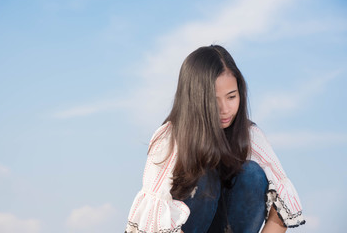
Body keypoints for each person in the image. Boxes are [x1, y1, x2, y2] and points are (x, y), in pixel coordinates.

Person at [125, 45, 305, 233]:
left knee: (252, 174)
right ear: (194, 99)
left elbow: (282, 210)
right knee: (203, 175)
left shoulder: (249, 135)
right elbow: (153, 222)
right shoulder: (170, 138)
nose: (224, 109)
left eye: (231, 97)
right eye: (213, 100)